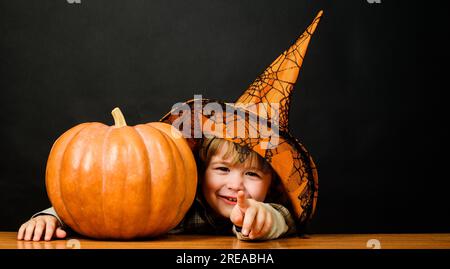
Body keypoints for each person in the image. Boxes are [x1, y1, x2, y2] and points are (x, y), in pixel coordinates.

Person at [17, 10, 323, 242]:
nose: (236, 185)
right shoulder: (176, 196)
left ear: (273, 186)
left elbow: (284, 219)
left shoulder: (265, 207)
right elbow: (97, 201)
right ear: (202, 167)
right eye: (222, 169)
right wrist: (51, 217)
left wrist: (264, 218)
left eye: (253, 174)